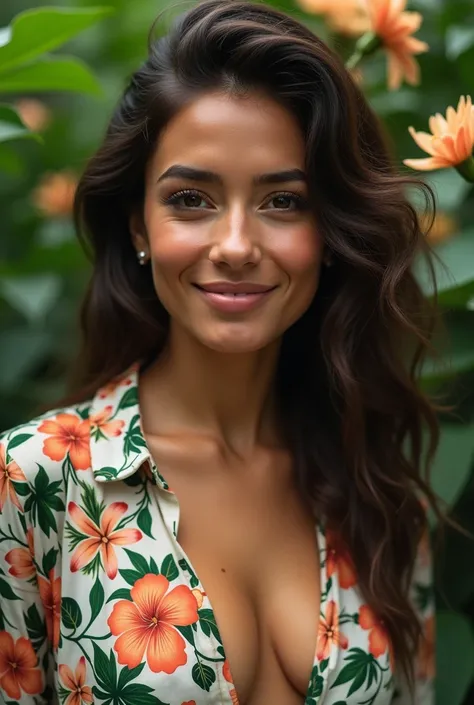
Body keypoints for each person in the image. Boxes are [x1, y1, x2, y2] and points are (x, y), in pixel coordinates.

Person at [0, 0, 441, 702]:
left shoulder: (380, 490)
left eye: (284, 202)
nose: (235, 246)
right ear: (137, 222)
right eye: (191, 199)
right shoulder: (34, 482)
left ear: (331, 231)